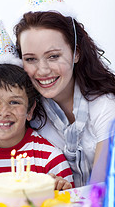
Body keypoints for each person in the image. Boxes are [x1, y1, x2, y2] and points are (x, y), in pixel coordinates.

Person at [14, 10, 115, 187]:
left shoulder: (105, 106)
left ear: (76, 53)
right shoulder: (30, 114)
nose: (43, 70)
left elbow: (100, 188)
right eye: (30, 59)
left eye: (53, 56)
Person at [0, 63, 74, 191]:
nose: (4, 111)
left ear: (30, 110)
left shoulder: (50, 158)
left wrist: (61, 189)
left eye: (14, 102)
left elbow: (70, 203)